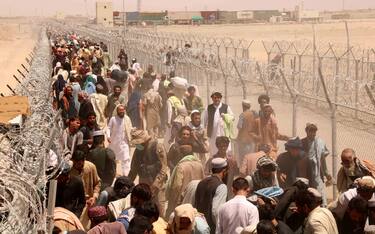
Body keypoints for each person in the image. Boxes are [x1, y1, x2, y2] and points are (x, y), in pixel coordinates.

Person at [128, 130, 168, 215]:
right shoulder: (139, 148)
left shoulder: (157, 146)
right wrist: (127, 182)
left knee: (159, 209)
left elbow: (163, 168)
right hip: (144, 181)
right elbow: (134, 167)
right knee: (144, 208)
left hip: (157, 183)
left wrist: (155, 184)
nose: (139, 145)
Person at [166, 144, 205, 218]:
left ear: (181, 154)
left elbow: (177, 186)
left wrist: (173, 201)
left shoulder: (181, 166)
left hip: (183, 200)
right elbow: (203, 181)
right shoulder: (199, 165)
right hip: (196, 198)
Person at [195, 158, 228, 234]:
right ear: (224, 171)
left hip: (199, 227)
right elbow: (216, 211)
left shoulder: (201, 182)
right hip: (211, 229)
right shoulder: (221, 187)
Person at [301, 123, 331, 206]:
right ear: (306, 131)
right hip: (305, 172)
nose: (313, 133)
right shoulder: (301, 143)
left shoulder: (320, 142)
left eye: (314, 131)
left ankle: (323, 207)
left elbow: (322, 158)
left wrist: (326, 173)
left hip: (316, 173)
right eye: (310, 130)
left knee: (320, 192)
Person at [204, 92, 234, 156]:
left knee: (225, 148)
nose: (217, 99)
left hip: (223, 132)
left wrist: (225, 116)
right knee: (213, 149)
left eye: (218, 97)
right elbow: (205, 120)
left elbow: (232, 117)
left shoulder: (226, 107)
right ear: (212, 98)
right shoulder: (208, 108)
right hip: (212, 134)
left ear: (220, 98)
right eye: (215, 98)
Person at [106, 104, 133, 176]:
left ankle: (125, 175)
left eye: (122, 110)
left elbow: (130, 129)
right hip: (114, 143)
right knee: (113, 159)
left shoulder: (127, 119)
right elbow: (108, 128)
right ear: (117, 111)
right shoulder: (113, 119)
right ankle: (113, 173)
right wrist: (108, 136)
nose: (121, 112)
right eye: (120, 110)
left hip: (125, 143)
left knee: (126, 158)